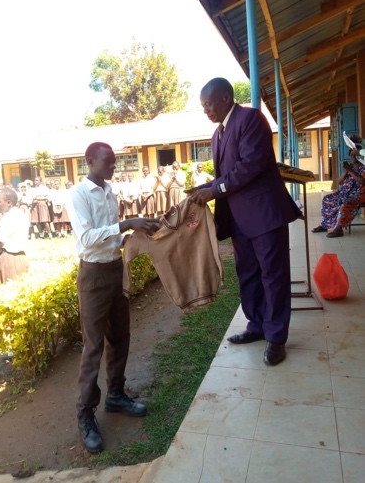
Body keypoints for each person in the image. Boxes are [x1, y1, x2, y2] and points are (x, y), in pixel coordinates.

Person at [186, 78, 301, 366]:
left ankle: (276, 337)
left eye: (208, 104)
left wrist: (214, 190)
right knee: (248, 274)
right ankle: (257, 325)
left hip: (264, 215)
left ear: (226, 97)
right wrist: (204, 187)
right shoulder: (218, 134)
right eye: (203, 106)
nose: (205, 111)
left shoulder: (251, 119)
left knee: (273, 276)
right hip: (239, 219)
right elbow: (226, 175)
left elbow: (249, 166)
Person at [66, 141, 160, 454]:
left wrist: (129, 237)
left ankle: (116, 395)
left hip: (115, 269)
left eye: (114, 162)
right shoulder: (79, 194)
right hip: (93, 276)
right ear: (90, 161)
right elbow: (86, 238)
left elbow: (109, 237)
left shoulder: (109, 191)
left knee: (120, 336)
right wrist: (125, 224)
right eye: (108, 161)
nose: (113, 167)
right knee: (93, 345)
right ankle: (85, 413)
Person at [311, 149, 365, 237]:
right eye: (351, 155)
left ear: (360, 155)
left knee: (344, 202)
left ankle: (339, 229)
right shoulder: (350, 167)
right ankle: (325, 225)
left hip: (358, 194)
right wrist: (346, 172)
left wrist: (350, 171)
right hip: (345, 192)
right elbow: (339, 182)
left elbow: (362, 182)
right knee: (327, 199)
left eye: (355, 154)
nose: (353, 156)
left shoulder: (363, 167)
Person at [0, 188, 29, 285]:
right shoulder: (23, 216)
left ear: (8, 203)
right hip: (22, 258)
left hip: (8, 259)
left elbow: (0, 242)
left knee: (7, 287)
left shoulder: (6, 219)